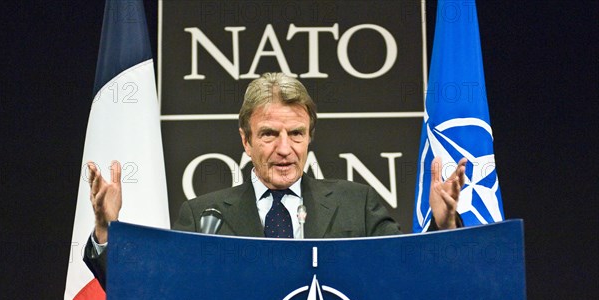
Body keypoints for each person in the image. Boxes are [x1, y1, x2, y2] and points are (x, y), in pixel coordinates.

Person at [85, 72, 466, 288]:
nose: (285, 148)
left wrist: (445, 225)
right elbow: (150, 293)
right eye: (269, 134)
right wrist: (106, 231)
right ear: (245, 141)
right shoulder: (204, 217)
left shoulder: (357, 204)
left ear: (309, 137)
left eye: (296, 134)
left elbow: (408, 275)